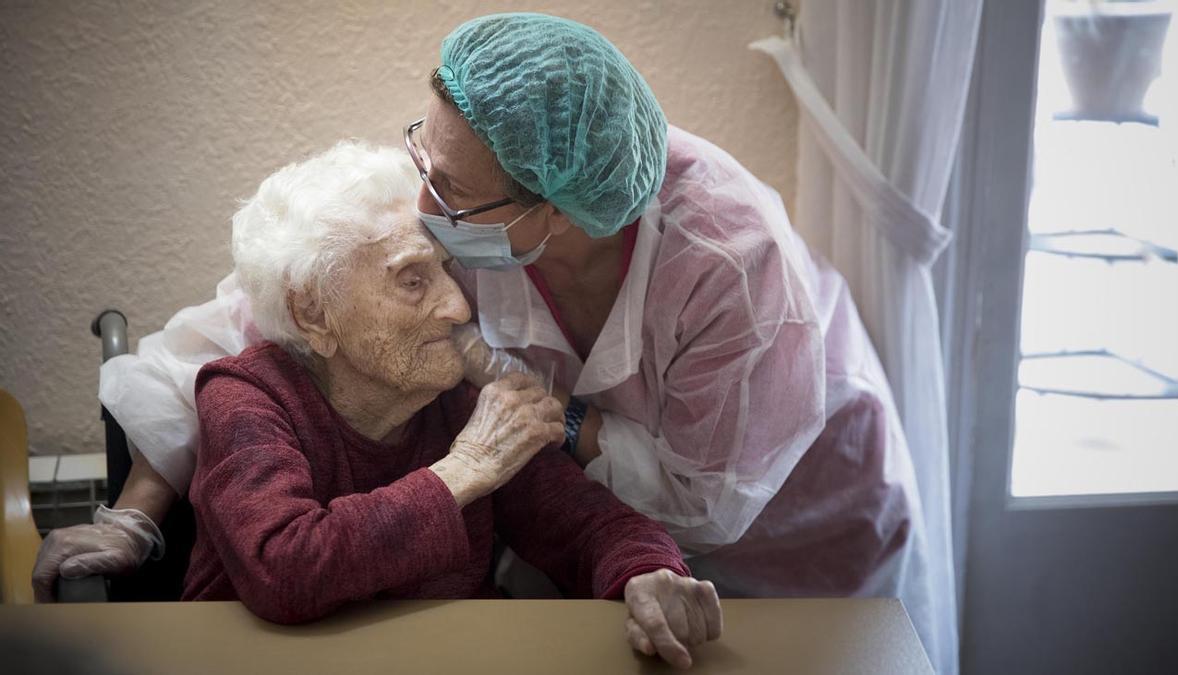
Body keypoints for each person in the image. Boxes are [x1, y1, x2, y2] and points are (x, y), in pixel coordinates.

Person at [34, 12, 950, 672]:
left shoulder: (729, 268)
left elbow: (658, 509)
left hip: (804, 526)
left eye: (451, 204)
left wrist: (642, 563)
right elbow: (224, 349)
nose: (425, 219)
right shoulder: (419, 265)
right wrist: (136, 513)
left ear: (556, 214)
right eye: (422, 167)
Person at [194, 140, 722, 665]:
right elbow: (284, 569)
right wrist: (467, 468)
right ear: (312, 313)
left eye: (446, 270)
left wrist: (649, 574)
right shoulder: (248, 397)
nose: (456, 304)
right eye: (412, 280)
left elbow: (588, 524)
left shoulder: (453, 403)